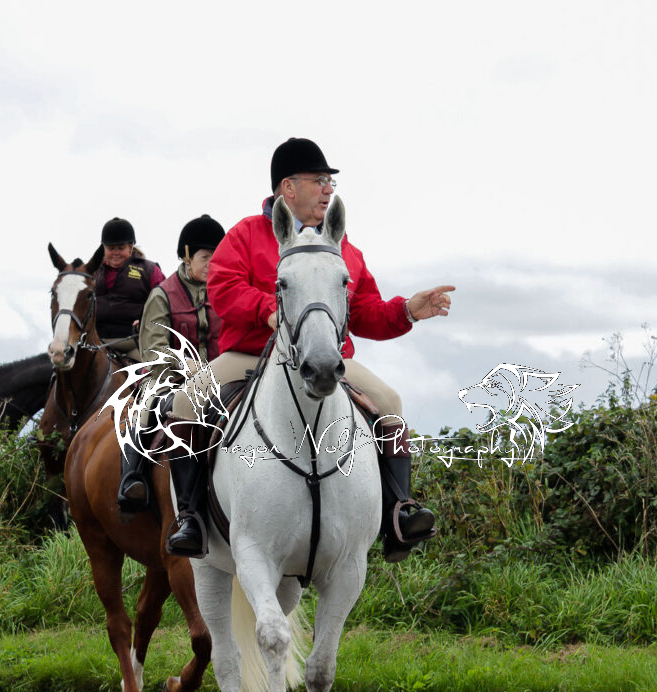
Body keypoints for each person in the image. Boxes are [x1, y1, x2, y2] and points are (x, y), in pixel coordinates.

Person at [165, 137, 455, 561]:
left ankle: (399, 511)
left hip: (322, 357)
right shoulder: (245, 235)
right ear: (288, 187)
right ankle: (190, 516)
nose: (328, 189)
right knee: (185, 402)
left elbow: (364, 311)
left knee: (390, 402)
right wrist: (268, 311)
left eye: (330, 182)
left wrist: (407, 310)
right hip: (249, 355)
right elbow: (223, 288)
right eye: (319, 180)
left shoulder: (343, 247)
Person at [116, 214, 226, 513]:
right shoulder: (162, 295)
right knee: (144, 408)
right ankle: (132, 478)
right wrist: (186, 367)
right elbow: (154, 352)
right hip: (171, 377)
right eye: (205, 257)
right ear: (187, 257)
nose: (212, 264)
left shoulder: (225, 290)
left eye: (217, 257)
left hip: (221, 375)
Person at [95, 217, 165, 361]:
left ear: (131, 246)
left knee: (154, 369)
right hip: (97, 342)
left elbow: (164, 303)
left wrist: (145, 320)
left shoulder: (149, 270)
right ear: (103, 248)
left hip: (133, 341)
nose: (115, 253)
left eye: (121, 248)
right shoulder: (92, 272)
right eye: (111, 248)